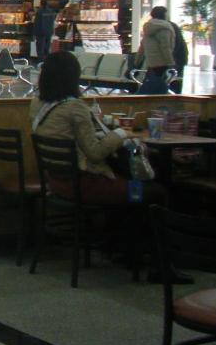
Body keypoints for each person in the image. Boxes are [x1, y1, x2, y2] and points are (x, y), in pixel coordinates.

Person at [32, 51, 173, 278]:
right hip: (87, 185)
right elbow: (96, 153)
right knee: (153, 192)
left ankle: (121, 249)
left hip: (57, 183)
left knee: (128, 186)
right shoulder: (75, 108)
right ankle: (159, 265)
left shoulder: (38, 105)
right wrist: (121, 133)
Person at [137, 6, 177, 95]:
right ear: (163, 14)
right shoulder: (164, 28)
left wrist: (137, 61)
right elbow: (165, 47)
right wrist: (170, 62)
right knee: (160, 87)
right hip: (162, 62)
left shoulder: (148, 27)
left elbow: (142, 46)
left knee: (152, 85)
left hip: (151, 62)